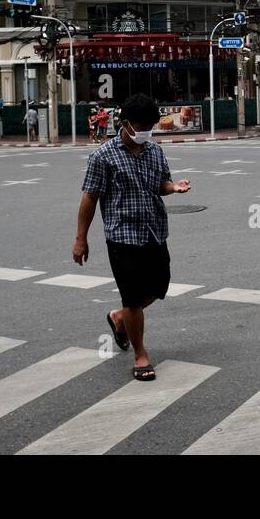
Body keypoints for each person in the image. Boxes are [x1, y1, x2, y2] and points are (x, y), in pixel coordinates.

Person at [73, 94, 190, 382]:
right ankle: (141, 354)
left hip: (154, 230)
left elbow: (160, 183)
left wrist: (173, 187)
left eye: (150, 126)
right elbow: (89, 198)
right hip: (122, 235)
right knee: (134, 297)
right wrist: (81, 239)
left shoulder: (154, 151)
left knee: (159, 287)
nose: (146, 132)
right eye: (141, 125)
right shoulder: (103, 156)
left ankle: (119, 317)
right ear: (124, 124)